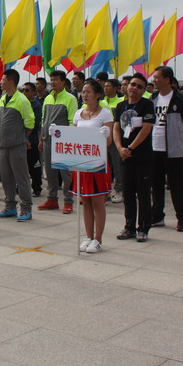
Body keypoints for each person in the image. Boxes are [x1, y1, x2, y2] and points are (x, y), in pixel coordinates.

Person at [150, 65, 183, 231]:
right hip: (155, 147)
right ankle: (157, 216)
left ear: (167, 79)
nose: (154, 80)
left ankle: (182, 218)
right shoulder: (154, 98)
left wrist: (176, 136)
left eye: (157, 77)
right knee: (156, 184)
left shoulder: (180, 98)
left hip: (174, 150)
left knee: (177, 186)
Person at [72, 79, 114, 253]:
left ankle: (98, 239)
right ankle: (88, 236)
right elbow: (73, 137)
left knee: (98, 201)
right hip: (81, 162)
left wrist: (105, 134)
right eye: (83, 92)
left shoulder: (105, 114)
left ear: (98, 94)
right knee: (86, 200)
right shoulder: (78, 113)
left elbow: (109, 142)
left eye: (88, 92)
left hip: (97, 162)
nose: (85, 95)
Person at [113, 73, 156, 241]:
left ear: (144, 90)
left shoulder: (147, 105)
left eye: (139, 86)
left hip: (142, 156)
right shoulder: (121, 105)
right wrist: (120, 148)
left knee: (143, 193)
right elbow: (116, 128)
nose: (135, 88)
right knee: (128, 193)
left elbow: (146, 129)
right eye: (133, 84)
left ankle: (143, 228)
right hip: (124, 156)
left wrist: (130, 148)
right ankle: (129, 227)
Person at [0, 69, 35, 222]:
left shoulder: (22, 100)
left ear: (11, 82)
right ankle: (10, 206)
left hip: (17, 145)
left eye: (3, 79)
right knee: (6, 178)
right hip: (2, 145)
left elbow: (30, 123)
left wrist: (21, 137)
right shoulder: (3, 99)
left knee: (21, 177)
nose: (0, 82)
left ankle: (26, 208)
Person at [39, 71, 78, 214]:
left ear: (63, 82)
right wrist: (42, 138)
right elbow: (43, 120)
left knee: (65, 173)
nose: (53, 82)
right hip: (47, 140)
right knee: (50, 171)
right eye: (51, 79)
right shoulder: (48, 98)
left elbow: (72, 121)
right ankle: (52, 199)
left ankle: (68, 201)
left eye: (56, 80)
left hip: (62, 142)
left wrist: (69, 139)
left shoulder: (70, 98)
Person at [23, 82, 43, 197]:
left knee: (34, 165)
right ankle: (21, 186)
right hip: (21, 139)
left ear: (33, 92)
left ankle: (37, 187)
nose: (24, 92)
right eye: (23, 90)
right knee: (22, 166)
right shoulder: (21, 103)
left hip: (32, 140)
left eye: (27, 90)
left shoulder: (36, 106)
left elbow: (35, 123)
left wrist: (27, 137)